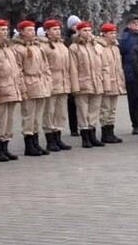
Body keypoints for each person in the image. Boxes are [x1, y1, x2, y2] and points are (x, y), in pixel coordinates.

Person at [0, 20, 23, 161]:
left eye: (6, 29)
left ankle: (6, 147)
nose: (5, 32)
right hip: (0, 89)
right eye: (2, 29)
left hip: (12, 88)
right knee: (0, 120)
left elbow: (15, 70)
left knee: (9, 120)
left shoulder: (8, 48)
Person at [13, 20, 52, 156]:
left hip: (40, 84)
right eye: (28, 30)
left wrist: (48, 81)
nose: (32, 32)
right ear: (22, 32)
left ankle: (36, 142)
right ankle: (29, 145)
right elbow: (18, 71)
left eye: (33, 30)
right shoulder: (19, 48)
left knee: (37, 116)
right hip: (29, 84)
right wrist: (22, 88)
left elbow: (46, 66)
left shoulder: (37, 46)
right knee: (28, 116)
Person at [68, 21, 106, 149]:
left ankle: (92, 134)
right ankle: (85, 136)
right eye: (85, 30)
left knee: (94, 109)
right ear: (78, 32)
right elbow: (73, 68)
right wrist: (75, 87)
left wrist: (103, 81)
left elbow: (102, 65)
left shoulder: (96, 45)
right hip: (82, 83)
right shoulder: (74, 47)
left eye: (89, 30)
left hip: (96, 82)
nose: (88, 33)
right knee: (82, 110)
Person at [41, 19, 73, 152]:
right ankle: (50, 140)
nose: (57, 31)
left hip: (64, 83)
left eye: (58, 29)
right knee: (49, 112)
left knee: (60, 113)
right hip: (51, 83)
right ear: (47, 32)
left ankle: (58, 137)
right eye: (54, 29)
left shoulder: (61, 45)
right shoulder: (44, 46)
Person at [96, 23, 126, 144]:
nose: (113, 35)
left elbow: (118, 67)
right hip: (106, 82)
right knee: (105, 109)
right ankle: (105, 133)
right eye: (111, 33)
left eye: (114, 33)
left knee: (112, 109)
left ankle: (111, 132)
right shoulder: (100, 47)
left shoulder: (115, 47)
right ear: (104, 34)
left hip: (115, 81)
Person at [119, 14, 138, 134]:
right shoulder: (125, 38)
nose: (137, 24)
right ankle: (136, 125)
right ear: (128, 25)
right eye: (134, 22)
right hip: (131, 73)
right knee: (133, 101)